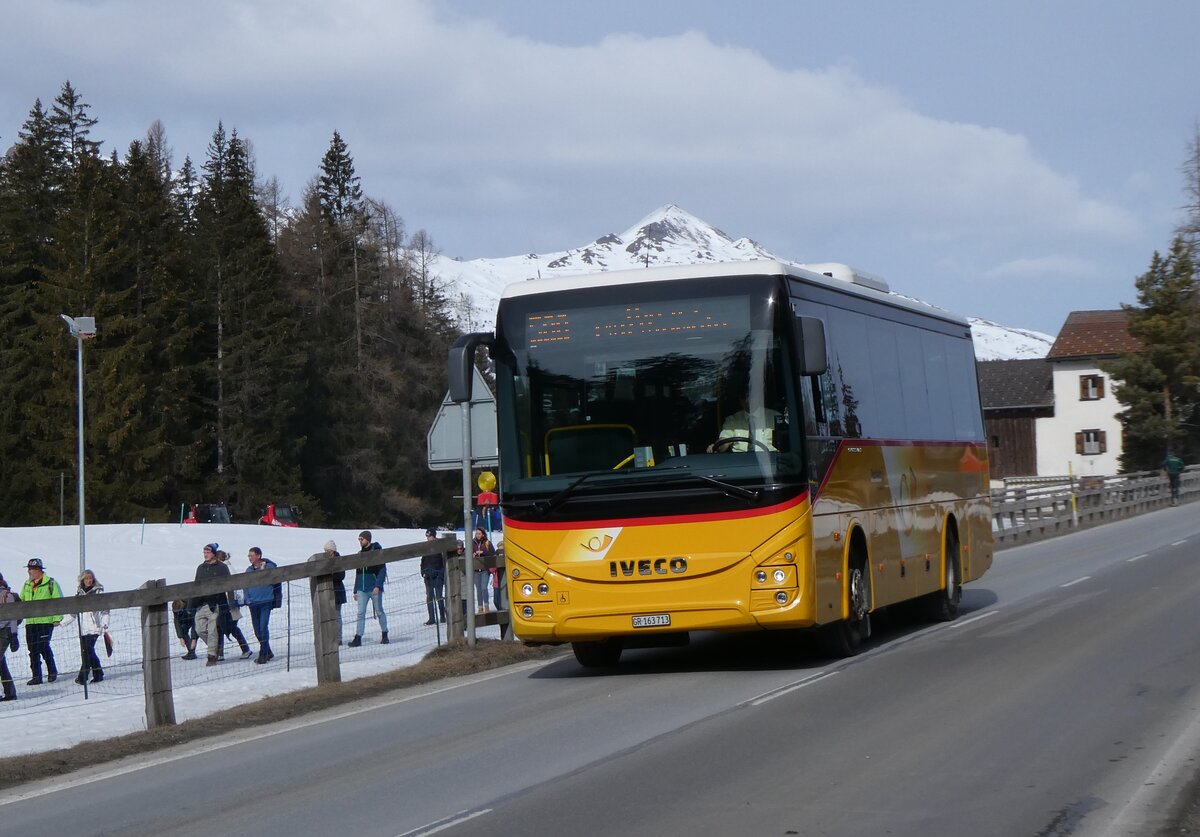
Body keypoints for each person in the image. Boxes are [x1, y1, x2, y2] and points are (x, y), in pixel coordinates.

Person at [21, 558, 63, 685]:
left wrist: (57, 618)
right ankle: (36, 676)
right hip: (31, 622)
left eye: (31, 569)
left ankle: (52, 671)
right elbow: (22, 600)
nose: (29, 572)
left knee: (43, 646)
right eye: (29, 569)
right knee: (32, 649)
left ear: (39, 570)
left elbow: (59, 602)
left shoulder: (51, 583)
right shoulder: (27, 584)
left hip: (45, 621)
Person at [189, 543, 232, 666]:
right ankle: (215, 648)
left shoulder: (222, 567)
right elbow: (196, 585)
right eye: (204, 552)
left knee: (213, 630)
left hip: (216, 603)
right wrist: (191, 604)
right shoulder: (201, 568)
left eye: (208, 552)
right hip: (202, 603)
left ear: (213, 553)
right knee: (200, 629)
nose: (205, 555)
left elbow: (230, 584)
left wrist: (230, 602)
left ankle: (212, 656)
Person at [349, 530, 388, 646]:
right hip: (362, 588)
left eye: (362, 539)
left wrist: (378, 585)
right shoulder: (359, 554)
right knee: (360, 613)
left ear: (368, 539)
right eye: (359, 539)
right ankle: (358, 637)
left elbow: (382, 570)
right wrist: (355, 590)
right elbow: (358, 573)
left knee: (379, 611)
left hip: (374, 587)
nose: (360, 541)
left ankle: (385, 633)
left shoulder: (376, 552)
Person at [243, 546, 281, 664]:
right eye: (249, 556)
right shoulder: (249, 570)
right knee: (257, 631)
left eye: (252, 555)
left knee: (263, 628)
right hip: (253, 603)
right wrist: (247, 599)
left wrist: (263, 570)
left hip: (265, 601)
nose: (249, 558)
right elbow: (245, 585)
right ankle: (268, 651)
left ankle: (263, 654)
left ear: (258, 556)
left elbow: (274, 579)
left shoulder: (269, 567)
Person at [712, 392, 779, 452]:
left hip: (769, 459)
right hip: (740, 460)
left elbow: (784, 442)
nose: (747, 400)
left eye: (751, 396)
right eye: (744, 397)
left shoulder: (776, 417)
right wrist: (717, 446)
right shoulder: (732, 420)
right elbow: (724, 441)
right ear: (740, 400)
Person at [216, 550, 252, 660]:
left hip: (230, 603)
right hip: (226, 602)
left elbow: (231, 587)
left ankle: (245, 649)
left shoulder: (226, 569)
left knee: (230, 627)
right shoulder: (226, 567)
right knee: (221, 626)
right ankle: (220, 653)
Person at [74, 569, 108, 685]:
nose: (89, 580)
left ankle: (82, 677)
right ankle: (98, 674)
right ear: (82, 580)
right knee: (88, 652)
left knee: (87, 651)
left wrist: (104, 624)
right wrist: (62, 623)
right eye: (86, 578)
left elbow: (105, 610)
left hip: (94, 627)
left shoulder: (98, 592)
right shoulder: (79, 593)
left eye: (90, 578)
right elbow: (73, 612)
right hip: (83, 628)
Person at [420, 529, 447, 625]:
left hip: (438, 575)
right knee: (429, 597)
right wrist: (422, 571)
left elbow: (443, 560)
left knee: (439, 596)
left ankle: (442, 616)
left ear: (433, 536)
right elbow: (423, 560)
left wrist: (441, 573)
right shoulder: (426, 546)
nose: (428, 538)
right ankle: (431, 618)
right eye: (427, 536)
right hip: (428, 576)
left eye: (429, 536)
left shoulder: (439, 545)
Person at [324, 540, 348, 645]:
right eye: (325, 551)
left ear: (333, 551)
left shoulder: (338, 561)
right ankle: (330, 637)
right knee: (328, 616)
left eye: (328, 551)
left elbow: (341, 575)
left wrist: (330, 576)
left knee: (336, 615)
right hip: (327, 592)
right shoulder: (325, 561)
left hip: (337, 591)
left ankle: (338, 638)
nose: (326, 553)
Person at [0, 573, 19, 701]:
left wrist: (14, 635)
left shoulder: (7, 595)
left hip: (5, 632)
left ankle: (10, 692)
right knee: (1, 663)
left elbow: (13, 617)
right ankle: (10, 692)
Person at [471, 528, 495, 614]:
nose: (477, 535)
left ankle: (486, 605)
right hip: (476, 570)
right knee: (478, 589)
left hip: (485, 569)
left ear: (483, 534)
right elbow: (467, 552)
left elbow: (493, 553)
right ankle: (480, 607)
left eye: (479, 533)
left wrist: (483, 552)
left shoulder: (487, 543)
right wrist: (472, 554)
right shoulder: (472, 542)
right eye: (476, 533)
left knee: (484, 587)